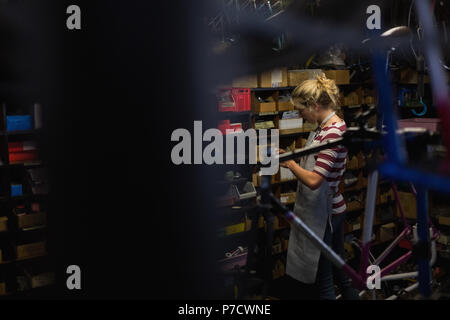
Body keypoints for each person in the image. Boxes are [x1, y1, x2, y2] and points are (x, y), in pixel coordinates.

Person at [280, 74, 359, 300]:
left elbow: (315, 180)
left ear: (315, 106)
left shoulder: (332, 132)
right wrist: (293, 157)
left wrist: (291, 164)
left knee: (324, 281)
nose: (299, 114)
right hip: (330, 210)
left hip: (325, 215)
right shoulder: (326, 127)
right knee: (341, 272)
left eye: (301, 109)